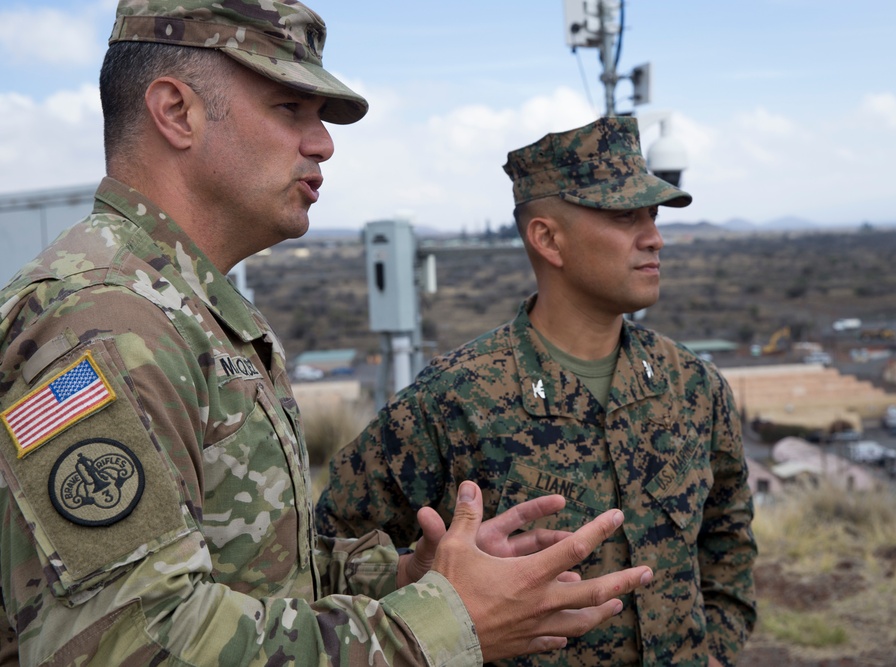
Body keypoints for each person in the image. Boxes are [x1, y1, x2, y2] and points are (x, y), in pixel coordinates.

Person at [0, 3, 654, 665]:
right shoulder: (99, 318)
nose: (322, 143)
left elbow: (253, 570)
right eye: (290, 109)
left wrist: (412, 581)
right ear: (176, 111)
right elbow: (132, 642)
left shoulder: (185, 307)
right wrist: (441, 625)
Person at [317, 117, 757, 666]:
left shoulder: (692, 386)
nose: (655, 237)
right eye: (625, 216)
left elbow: (727, 537)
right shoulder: (454, 402)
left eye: (653, 216)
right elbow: (326, 557)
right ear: (547, 238)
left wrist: (715, 650)